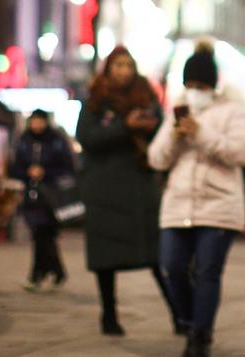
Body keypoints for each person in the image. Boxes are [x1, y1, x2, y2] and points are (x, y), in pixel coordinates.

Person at [148, 43, 245, 357]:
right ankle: (190, 319)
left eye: (200, 86)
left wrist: (200, 133)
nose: (194, 91)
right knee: (172, 267)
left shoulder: (235, 111)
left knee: (207, 271)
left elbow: (241, 153)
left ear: (213, 85)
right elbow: (156, 159)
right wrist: (174, 135)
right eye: (190, 86)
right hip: (178, 204)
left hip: (219, 205)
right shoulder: (177, 111)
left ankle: (200, 336)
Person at [76, 46, 176, 336]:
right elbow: (87, 138)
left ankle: (179, 315)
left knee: (158, 256)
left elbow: (162, 136)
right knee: (106, 258)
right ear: (108, 69)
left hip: (140, 188)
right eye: (118, 65)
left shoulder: (146, 95)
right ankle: (109, 315)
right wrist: (124, 126)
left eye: (128, 65)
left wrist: (151, 125)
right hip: (104, 190)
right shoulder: (95, 100)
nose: (124, 71)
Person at [11, 108, 75, 291]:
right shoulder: (24, 141)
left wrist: (45, 173)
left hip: (52, 195)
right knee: (42, 235)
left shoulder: (57, 141)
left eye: (40, 120)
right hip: (31, 196)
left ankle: (37, 275)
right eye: (34, 120)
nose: (37, 124)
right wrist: (28, 172)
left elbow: (68, 168)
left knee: (43, 234)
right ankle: (55, 272)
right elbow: (15, 167)